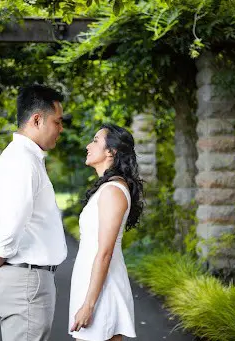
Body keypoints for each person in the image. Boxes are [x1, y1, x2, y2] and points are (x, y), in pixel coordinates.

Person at [0, 84, 68, 341]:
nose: (61, 128)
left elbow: (16, 218)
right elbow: (14, 219)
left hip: (28, 279)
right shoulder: (21, 160)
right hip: (27, 281)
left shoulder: (23, 158)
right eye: (57, 121)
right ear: (37, 120)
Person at [69, 123, 144, 341]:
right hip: (92, 287)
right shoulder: (107, 188)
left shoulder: (112, 191)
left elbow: (105, 253)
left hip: (102, 292)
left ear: (111, 151)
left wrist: (88, 305)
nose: (87, 145)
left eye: (94, 140)